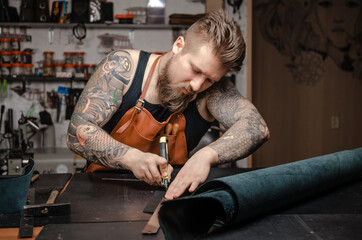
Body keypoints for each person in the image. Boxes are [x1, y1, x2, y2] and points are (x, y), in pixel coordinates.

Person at [66, 9, 270, 200]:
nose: (197, 85)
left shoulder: (211, 91)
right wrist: (132, 158)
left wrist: (206, 156)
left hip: (169, 198)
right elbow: (77, 132)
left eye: (209, 79)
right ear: (178, 45)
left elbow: (256, 127)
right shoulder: (123, 68)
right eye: (195, 70)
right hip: (101, 196)